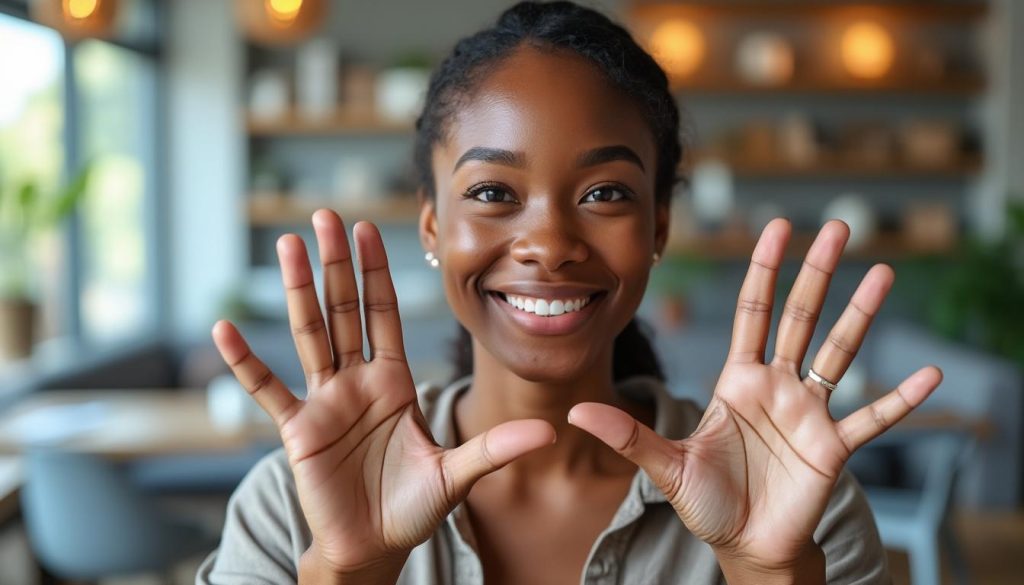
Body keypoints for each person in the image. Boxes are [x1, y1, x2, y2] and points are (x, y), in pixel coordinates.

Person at [197, 2, 942, 584]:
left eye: (605, 192)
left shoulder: (793, 500)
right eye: (493, 190)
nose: (549, 243)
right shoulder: (297, 504)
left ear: (657, 226)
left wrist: (770, 572)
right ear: (432, 227)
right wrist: (348, 572)